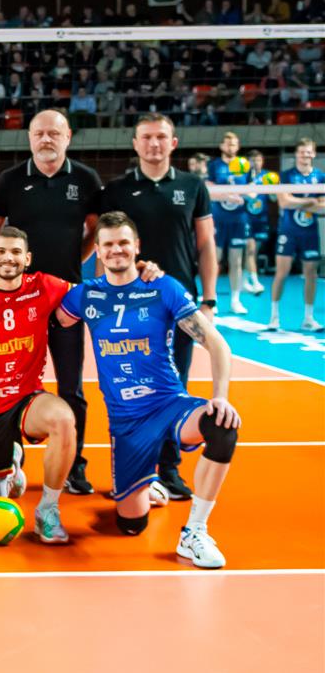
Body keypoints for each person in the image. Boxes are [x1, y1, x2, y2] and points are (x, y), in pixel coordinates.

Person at [57, 213, 241, 568]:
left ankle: (195, 531)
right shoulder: (85, 295)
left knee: (222, 426)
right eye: (108, 244)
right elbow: (54, 317)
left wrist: (220, 397)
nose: (117, 250)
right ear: (97, 251)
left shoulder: (163, 287)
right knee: (130, 526)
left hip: (169, 404)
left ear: (137, 246)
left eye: (124, 243)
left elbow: (218, 345)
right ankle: (146, 484)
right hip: (126, 422)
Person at [100, 113, 217, 501]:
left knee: (174, 386)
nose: (154, 144)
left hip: (178, 302)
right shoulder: (116, 190)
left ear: (173, 143)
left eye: (161, 137)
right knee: (127, 389)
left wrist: (209, 299)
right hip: (131, 307)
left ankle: (169, 469)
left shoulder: (192, 185)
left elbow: (206, 244)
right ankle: (135, 470)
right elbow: (106, 247)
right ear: (135, 144)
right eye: (147, 137)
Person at [0, 109, 102, 495]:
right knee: (11, 383)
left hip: (67, 299)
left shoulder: (85, 179)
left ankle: (75, 465)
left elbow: (94, 231)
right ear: (30, 138)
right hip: (20, 301)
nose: (46, 139)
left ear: (68, 136)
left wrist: (74, 265)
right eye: (39, 133)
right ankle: (10, 459)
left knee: (72, 387)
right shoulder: (10, 180)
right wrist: (9, 268)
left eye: (54, 133)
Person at [0, 227, 85, 543]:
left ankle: (48, 509)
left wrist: (142, 274)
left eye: (16, 252)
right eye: (2, 251)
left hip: (27, 398)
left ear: (27, 258)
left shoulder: (44, 286)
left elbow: (92, 293)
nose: (8, 258)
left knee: (63, 419)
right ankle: (12, 463)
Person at [269, 137, 324, 331]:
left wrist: (297, 201)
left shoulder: (320, 176)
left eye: (308, 152)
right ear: (296, 154)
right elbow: (284, 202)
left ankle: (308, 318)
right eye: (302, 152)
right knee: (281, 273)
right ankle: (274, 317)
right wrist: (311, 202)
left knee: (311, 273)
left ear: (313, 154)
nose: (305, 155)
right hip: (288, 231)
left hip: (310, 233)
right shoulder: (286, 175)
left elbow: (324, 207)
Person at [204, 132, 251, 315]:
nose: (231, 147)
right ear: (222, 146)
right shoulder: (215, 165)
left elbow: (251, 190)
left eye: (234, 144)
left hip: (238, 219)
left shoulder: (245, 165)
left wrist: (248, 194)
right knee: (214, 259)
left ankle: (235, 300)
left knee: (236, 260)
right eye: (228, 144)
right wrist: (228, 195)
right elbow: (208, 189)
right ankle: (211, 298)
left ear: (238, 147)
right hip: (218, 218)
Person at [242, 149, 273, 295]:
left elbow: (273, 198)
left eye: (258, 160)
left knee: (253, 252)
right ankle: (255, 282)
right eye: (252, 161)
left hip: (261, 219)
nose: (256, 163)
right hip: (246, 217)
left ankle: (243, 281)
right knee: (250, 249)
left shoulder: (268, 176)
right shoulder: (242, 176)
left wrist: (272, 188)